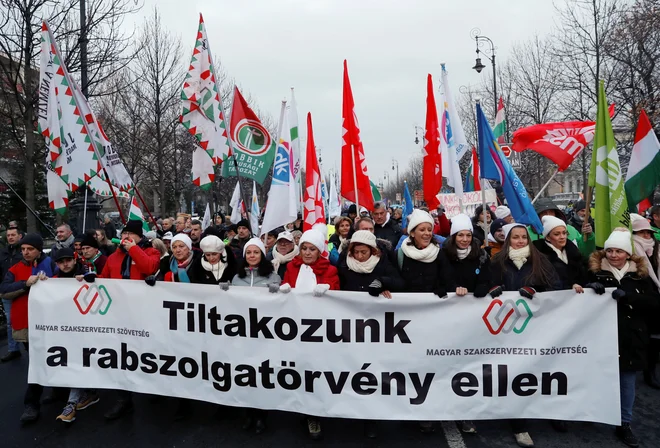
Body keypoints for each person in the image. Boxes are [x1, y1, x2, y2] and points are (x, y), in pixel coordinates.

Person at [489, 223, 560, 447]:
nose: (520, 241)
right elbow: (484, 285)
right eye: (515, 237)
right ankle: (518, 424)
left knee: (534, 372)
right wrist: (492, 288)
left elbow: (557, 288)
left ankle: (546, 412)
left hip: (534, 327)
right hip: (506, 327)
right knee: (511, 373)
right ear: (508, 240)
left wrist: (536, 291)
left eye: (523, 237)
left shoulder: (540, 261)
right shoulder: (498, 261)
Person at [587, 229, 660, 448]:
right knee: (599, 377)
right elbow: (576, 295)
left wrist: (629, 297)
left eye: (618, 251)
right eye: (609, 250)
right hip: (602, 336)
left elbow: (654, 303)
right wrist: (590, 289)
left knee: (627, 382)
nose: (613, 255)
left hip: (631, 337)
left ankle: (624, 423)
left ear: (628, 254)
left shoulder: (640, 275)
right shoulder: (594, 272)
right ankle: (595, 413)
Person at [279, 228, 339, 441]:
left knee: (316, 371)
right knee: (299, 370)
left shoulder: (329, 269)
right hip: (295, 329)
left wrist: (329, 289)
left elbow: (339, 298)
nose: (306, 252)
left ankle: (314, 414)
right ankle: (302, 408)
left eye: (311, 249)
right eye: (303, 248)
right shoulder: (291, 267)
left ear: (319, 250)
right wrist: (282, 289)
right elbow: (284, 287)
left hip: (319, 331)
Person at [98, 219, 160, 420]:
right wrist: (90, 280)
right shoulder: (113, 257)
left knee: (147, 352)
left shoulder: (150, 251)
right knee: (120, 355)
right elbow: (104, 279)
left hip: (144, 314)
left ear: (138, 237)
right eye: (123, 234)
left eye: (129, 235)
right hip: (119, 314)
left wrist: (134, 250)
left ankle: (153, 388)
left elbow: (149, 268)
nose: (125, 238)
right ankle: (123, 399)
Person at [0, 233, 53, 423]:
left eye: (30, 249)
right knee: (37, 363)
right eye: (23, 249)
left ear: (39, 249)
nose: (26, 252)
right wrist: (25, 284)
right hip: (28, 324)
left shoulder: (51, 264)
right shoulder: (15, 269)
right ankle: (31, 404)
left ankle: (57, 390)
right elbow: (4, 291)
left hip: (52, 324)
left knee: (52, 359)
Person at [49, 247, 100, 423]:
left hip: (87, 330)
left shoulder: (86, 274)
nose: (65, 264)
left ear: (75, 260)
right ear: (56, 264)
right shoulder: (53, 281)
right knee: (74, 363)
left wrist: (87, 280)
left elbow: (101, 285)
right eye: (61, 261)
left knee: (80, 362)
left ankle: (71, 404)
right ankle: (87, 394)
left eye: (68, 260)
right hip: (65, 331)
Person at [630, 214, 660, 390]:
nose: (646, 236)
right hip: (642, 296)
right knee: (644, 337)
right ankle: (644, 371)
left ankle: (651, 371)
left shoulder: (657, 248)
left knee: (656, 337)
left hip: (656, 296)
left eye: (648, 233)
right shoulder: (632, 250)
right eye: (642, 233)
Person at [533, 215, 588, 293]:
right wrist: (570, 286)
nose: (562, 237)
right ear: (547, 237)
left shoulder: (573, 251)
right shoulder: (539, 255)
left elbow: (582, 274)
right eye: (557, 234)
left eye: (564, 233)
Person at [530, 198, 595, 258]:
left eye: (551, 212)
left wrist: (588, 236)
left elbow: (584, 253)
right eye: (544, 213)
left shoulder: (570, 230)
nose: (548, 215)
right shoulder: (528, 233)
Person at [0, 226, 23, 362]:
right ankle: (13, 349)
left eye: (13, 235)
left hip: (23, 290)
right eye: (8, 235)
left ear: (20, 236)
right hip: (8, 291)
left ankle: (31, 349)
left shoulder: (26, 250)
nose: (10, 237)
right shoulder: (3, 252)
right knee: (10, 322)